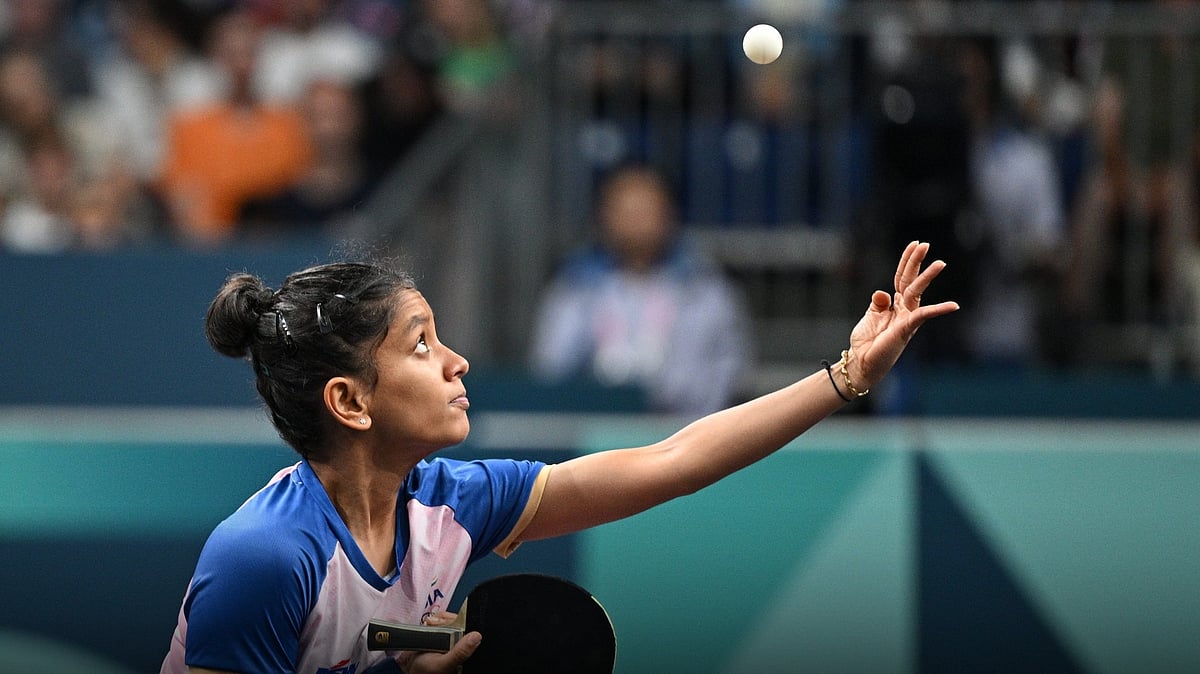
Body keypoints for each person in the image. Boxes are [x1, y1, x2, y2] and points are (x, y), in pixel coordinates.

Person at [162, 240, 958, 674]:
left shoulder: (449, 504)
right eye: (421, 345)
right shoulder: (264, 558)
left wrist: (845, 376)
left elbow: (672, 461)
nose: (457, 362)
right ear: (350, 402)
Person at [530, 165, 752, 416]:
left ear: (669, 214)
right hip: (596, 431)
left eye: (645, 210)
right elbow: (551, 367)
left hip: (683, 430)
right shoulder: (576, 287)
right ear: (603, 216)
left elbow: (728, 370)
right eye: (625, 210)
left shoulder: (706, 288)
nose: (635, 221)